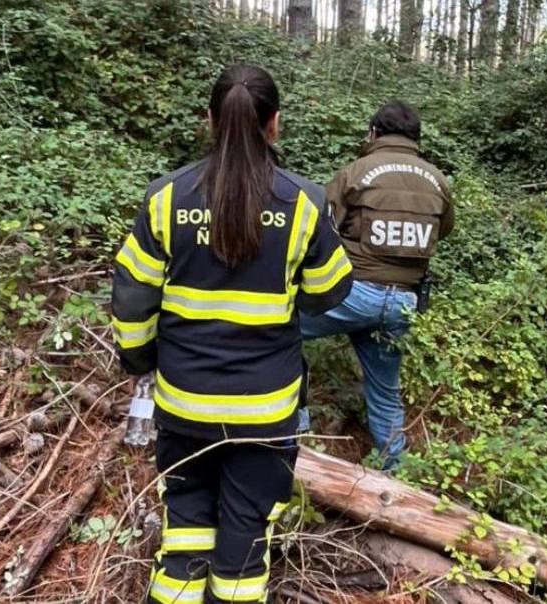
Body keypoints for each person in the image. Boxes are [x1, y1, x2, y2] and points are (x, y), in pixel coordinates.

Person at [111, 65, 352, 604]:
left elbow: (131, 295)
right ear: (276, 125)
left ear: (211, 121)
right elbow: (332, 290)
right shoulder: (304, 203)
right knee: (245, 537)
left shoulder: (166, 198)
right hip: (264, 408)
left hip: (185, 401)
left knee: (186, 526)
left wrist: (139, 359)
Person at [300, 101, 453, 469]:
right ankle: (392, 473)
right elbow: (444, 229)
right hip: (405, 302)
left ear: (374, 133)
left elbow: (319, 225)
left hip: (352, 293)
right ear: (416, 137)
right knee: (385, 391)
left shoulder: (357, 171)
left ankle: (295, 433)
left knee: (282, 326)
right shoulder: (438, 180)